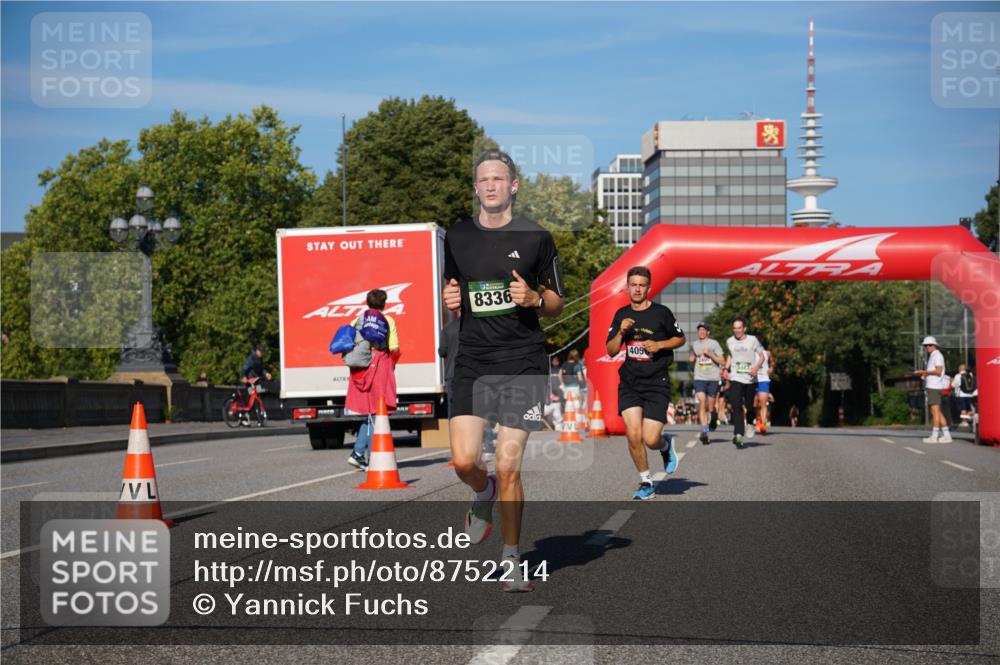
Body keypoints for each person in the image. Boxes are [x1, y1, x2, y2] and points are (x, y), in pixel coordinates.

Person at [442, 149, 565, 592]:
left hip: (523, 363)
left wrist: (535, 299)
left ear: (513, 186)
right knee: (464, 461)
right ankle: (482, 491)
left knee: (510, 465)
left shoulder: (537, 238)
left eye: (499, 179)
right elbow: (452, 285)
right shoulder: (456, 237)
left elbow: (557, 302)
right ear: (475, 188)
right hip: (473, 360)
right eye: (483, 179)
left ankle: (512, 560)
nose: (490, 185)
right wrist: (449, 298)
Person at [605, 266, 686, 500]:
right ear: (628, 287)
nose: (637, 289)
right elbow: (610, 351)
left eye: (642, 285)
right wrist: (621, 333)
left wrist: (660, 345)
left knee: (650, 438)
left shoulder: (662, 313)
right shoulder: (621, 315)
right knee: (632, 434)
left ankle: (664, 445)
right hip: (630, 381)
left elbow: (680, 338)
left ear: (649, 288)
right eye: (634, 284)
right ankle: (646, 481)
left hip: (656, 381)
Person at [346, 291, 399, 470]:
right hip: (379, 366)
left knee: (370, 413)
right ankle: (366, 455)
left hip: (360, 369)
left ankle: (359, 453)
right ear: (384, 304)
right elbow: (394, 348)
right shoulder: (388, 320)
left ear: (367, 302)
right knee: (378, 412)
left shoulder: (357, 320)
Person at [724, 318, 765, 448]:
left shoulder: (753, 340)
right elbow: (730, 355)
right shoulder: (729, 341)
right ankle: (738, 434)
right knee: (736, 405)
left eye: (739, 328)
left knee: (749, 405)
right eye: (735, 328)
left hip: (750, 378)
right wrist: (726, 368)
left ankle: (750, 423)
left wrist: (756, 368)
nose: (737, 330)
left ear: (744, 328)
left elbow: (762, 356)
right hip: (736, 376)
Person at [689, 322, 724, 445]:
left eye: (704, 330)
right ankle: (704, 431)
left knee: (710, 406)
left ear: (708, 332)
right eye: (699, 330)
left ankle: (714, 417)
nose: (701, 332)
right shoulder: (695, 344)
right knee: (702, 401)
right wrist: (692, 358)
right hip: (699, 377)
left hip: (713, 378)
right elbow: (693, 356)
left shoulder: (714, 344)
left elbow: (723, 361)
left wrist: (710, 354)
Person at [914, 336, 951, 443]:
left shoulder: (937, 356)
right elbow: (935, 371)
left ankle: (934, 436)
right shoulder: (934, 356)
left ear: (934, 345)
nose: (927, 347)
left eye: (929, 345)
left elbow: (938, 371)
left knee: (934, 412)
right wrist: (925, 374)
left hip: (934, 387)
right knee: (937, 411)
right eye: (925, 346)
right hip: (933, 386)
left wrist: (924, 372)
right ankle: (946, 435)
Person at [754, 340, 773, 434]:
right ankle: (758, 421)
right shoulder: (750, 353)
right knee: (755, 405)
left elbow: (772, 363)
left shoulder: (767, 353)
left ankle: (763, 425)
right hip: (752, 380)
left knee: (763, 404)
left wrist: (771, 368)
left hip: (763, 380)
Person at [952, 363, 977, 428]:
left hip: (961, 394)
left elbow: (953, 385)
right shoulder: (971, 375)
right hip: (970, 395)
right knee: (969, 409)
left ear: (960, 369)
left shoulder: (958, 375)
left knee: (962, 408)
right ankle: (970, 420)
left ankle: (964, 421)